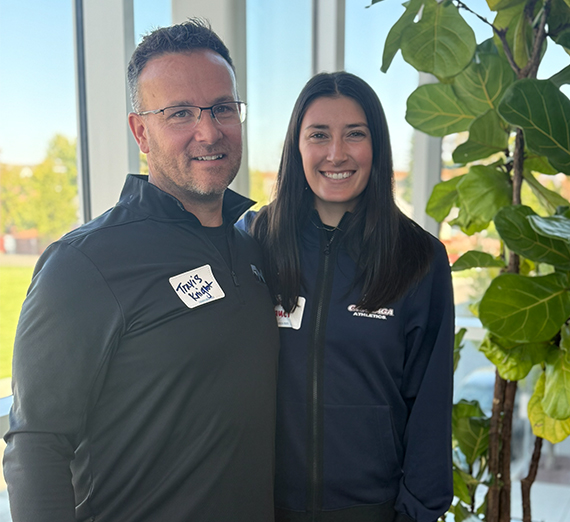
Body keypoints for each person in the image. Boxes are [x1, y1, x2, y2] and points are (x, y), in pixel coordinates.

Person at [4, 19, 279, 522]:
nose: (209, 131)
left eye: (222, 108)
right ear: (141, 132)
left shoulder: (252, 248)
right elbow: (37, 445)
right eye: (180, 114)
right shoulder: (84, 265)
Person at [241, 72, 454, 522]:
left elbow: (430, 406)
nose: (336, 154)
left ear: (376, 146)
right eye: (318, 135)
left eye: (354, 135)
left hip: (372, 510)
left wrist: (416, 514)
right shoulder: (254, 241)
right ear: (296, 146)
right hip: (263, 505)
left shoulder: (419, 258)